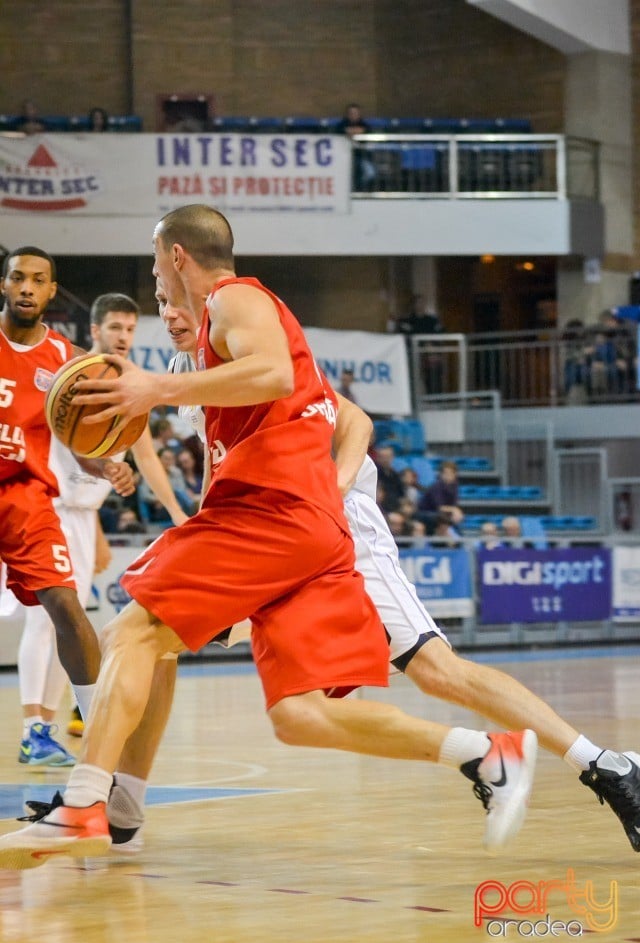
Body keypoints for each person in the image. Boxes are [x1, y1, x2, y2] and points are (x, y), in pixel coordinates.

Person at [19, 271, 639, 864]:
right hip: (268, 530)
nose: (169, 313)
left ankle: (601, 762)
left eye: (172, 298)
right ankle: (122, 804)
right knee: (174, 647)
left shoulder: (246, 337)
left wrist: (330, 491)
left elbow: (356, 421)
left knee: (434, 669)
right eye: (159, 304)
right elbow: (219, 465)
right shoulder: (190, 371)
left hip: (328, 522)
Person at [16, 292, 190, 759]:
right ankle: (35, 727)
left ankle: (46, 727)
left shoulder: (129, 385)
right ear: (93, 331)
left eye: (130, 329)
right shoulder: (69, 375)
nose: (122, 337)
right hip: (42, 504)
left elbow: (147, 454)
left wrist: (176, 514)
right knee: (47, 616)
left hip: (79, 512)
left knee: (67, 624)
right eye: (114, 327)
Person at [0, 247, 135, 767]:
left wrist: (104, 466)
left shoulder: (64, 359)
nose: (27, 287)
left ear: (52, 291)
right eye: (17, 278)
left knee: (65, 608)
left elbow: (78, 439)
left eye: (38, 280)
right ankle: (38, 728)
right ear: (5, 285)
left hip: (27, 499)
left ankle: (100, 736)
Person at [418, 460, 464, 531]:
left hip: (441, 514)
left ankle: (457, 538)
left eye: (451, 473)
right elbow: (440, 507)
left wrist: (455, 511)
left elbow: (454, 505)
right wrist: (454, 510)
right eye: (445, 473)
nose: (448, 476)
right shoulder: (436, 486)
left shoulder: (454, 487)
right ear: (441, 474)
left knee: (456, 517)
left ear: (455, 474)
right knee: (445, 518)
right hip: (426, 513)